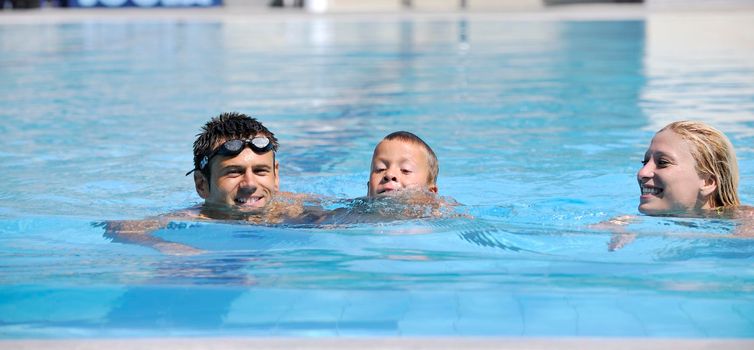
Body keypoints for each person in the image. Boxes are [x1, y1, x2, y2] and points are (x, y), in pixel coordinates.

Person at [103, 112, 322, 255]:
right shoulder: (192, 219)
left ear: (276, 176)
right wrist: (164, 244)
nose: (249, 183)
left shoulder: (295, 207)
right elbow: (116, 227)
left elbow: (348, 214)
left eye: (260, 171)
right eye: (233, 172)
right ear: (202, 185)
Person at [600, 120, 749, 250]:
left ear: (708, 182)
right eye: (645, 162)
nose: (642, 173)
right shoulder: (626, 222)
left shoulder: (746, 222)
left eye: (663, 163)